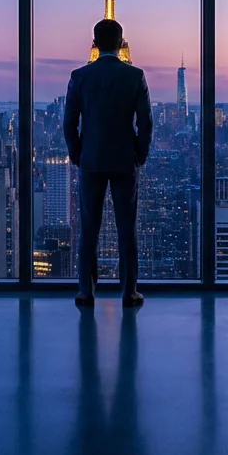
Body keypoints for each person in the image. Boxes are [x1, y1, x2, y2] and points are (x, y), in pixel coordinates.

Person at [63, 19, 152, 308]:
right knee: (127, 229)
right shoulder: (135, 76)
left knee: (88, 229)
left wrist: (78, 154)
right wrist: (140, 154)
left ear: (94, 43)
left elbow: (69, 123)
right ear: (121, 43)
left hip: (90, 160)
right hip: (125, 160)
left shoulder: (79, 77)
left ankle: (85, 292)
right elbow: (146, 122)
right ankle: (129, 292)